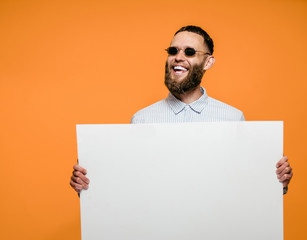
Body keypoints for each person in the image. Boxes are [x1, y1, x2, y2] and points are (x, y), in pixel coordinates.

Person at [70, 25, 293, 195]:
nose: (178, 57)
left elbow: (244, 183)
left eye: (189, 52)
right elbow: (132, 186)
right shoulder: (142, 120)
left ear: (208, 62)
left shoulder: (233, 117)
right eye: (173, 50)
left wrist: (276, 183)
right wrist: (90, 187)